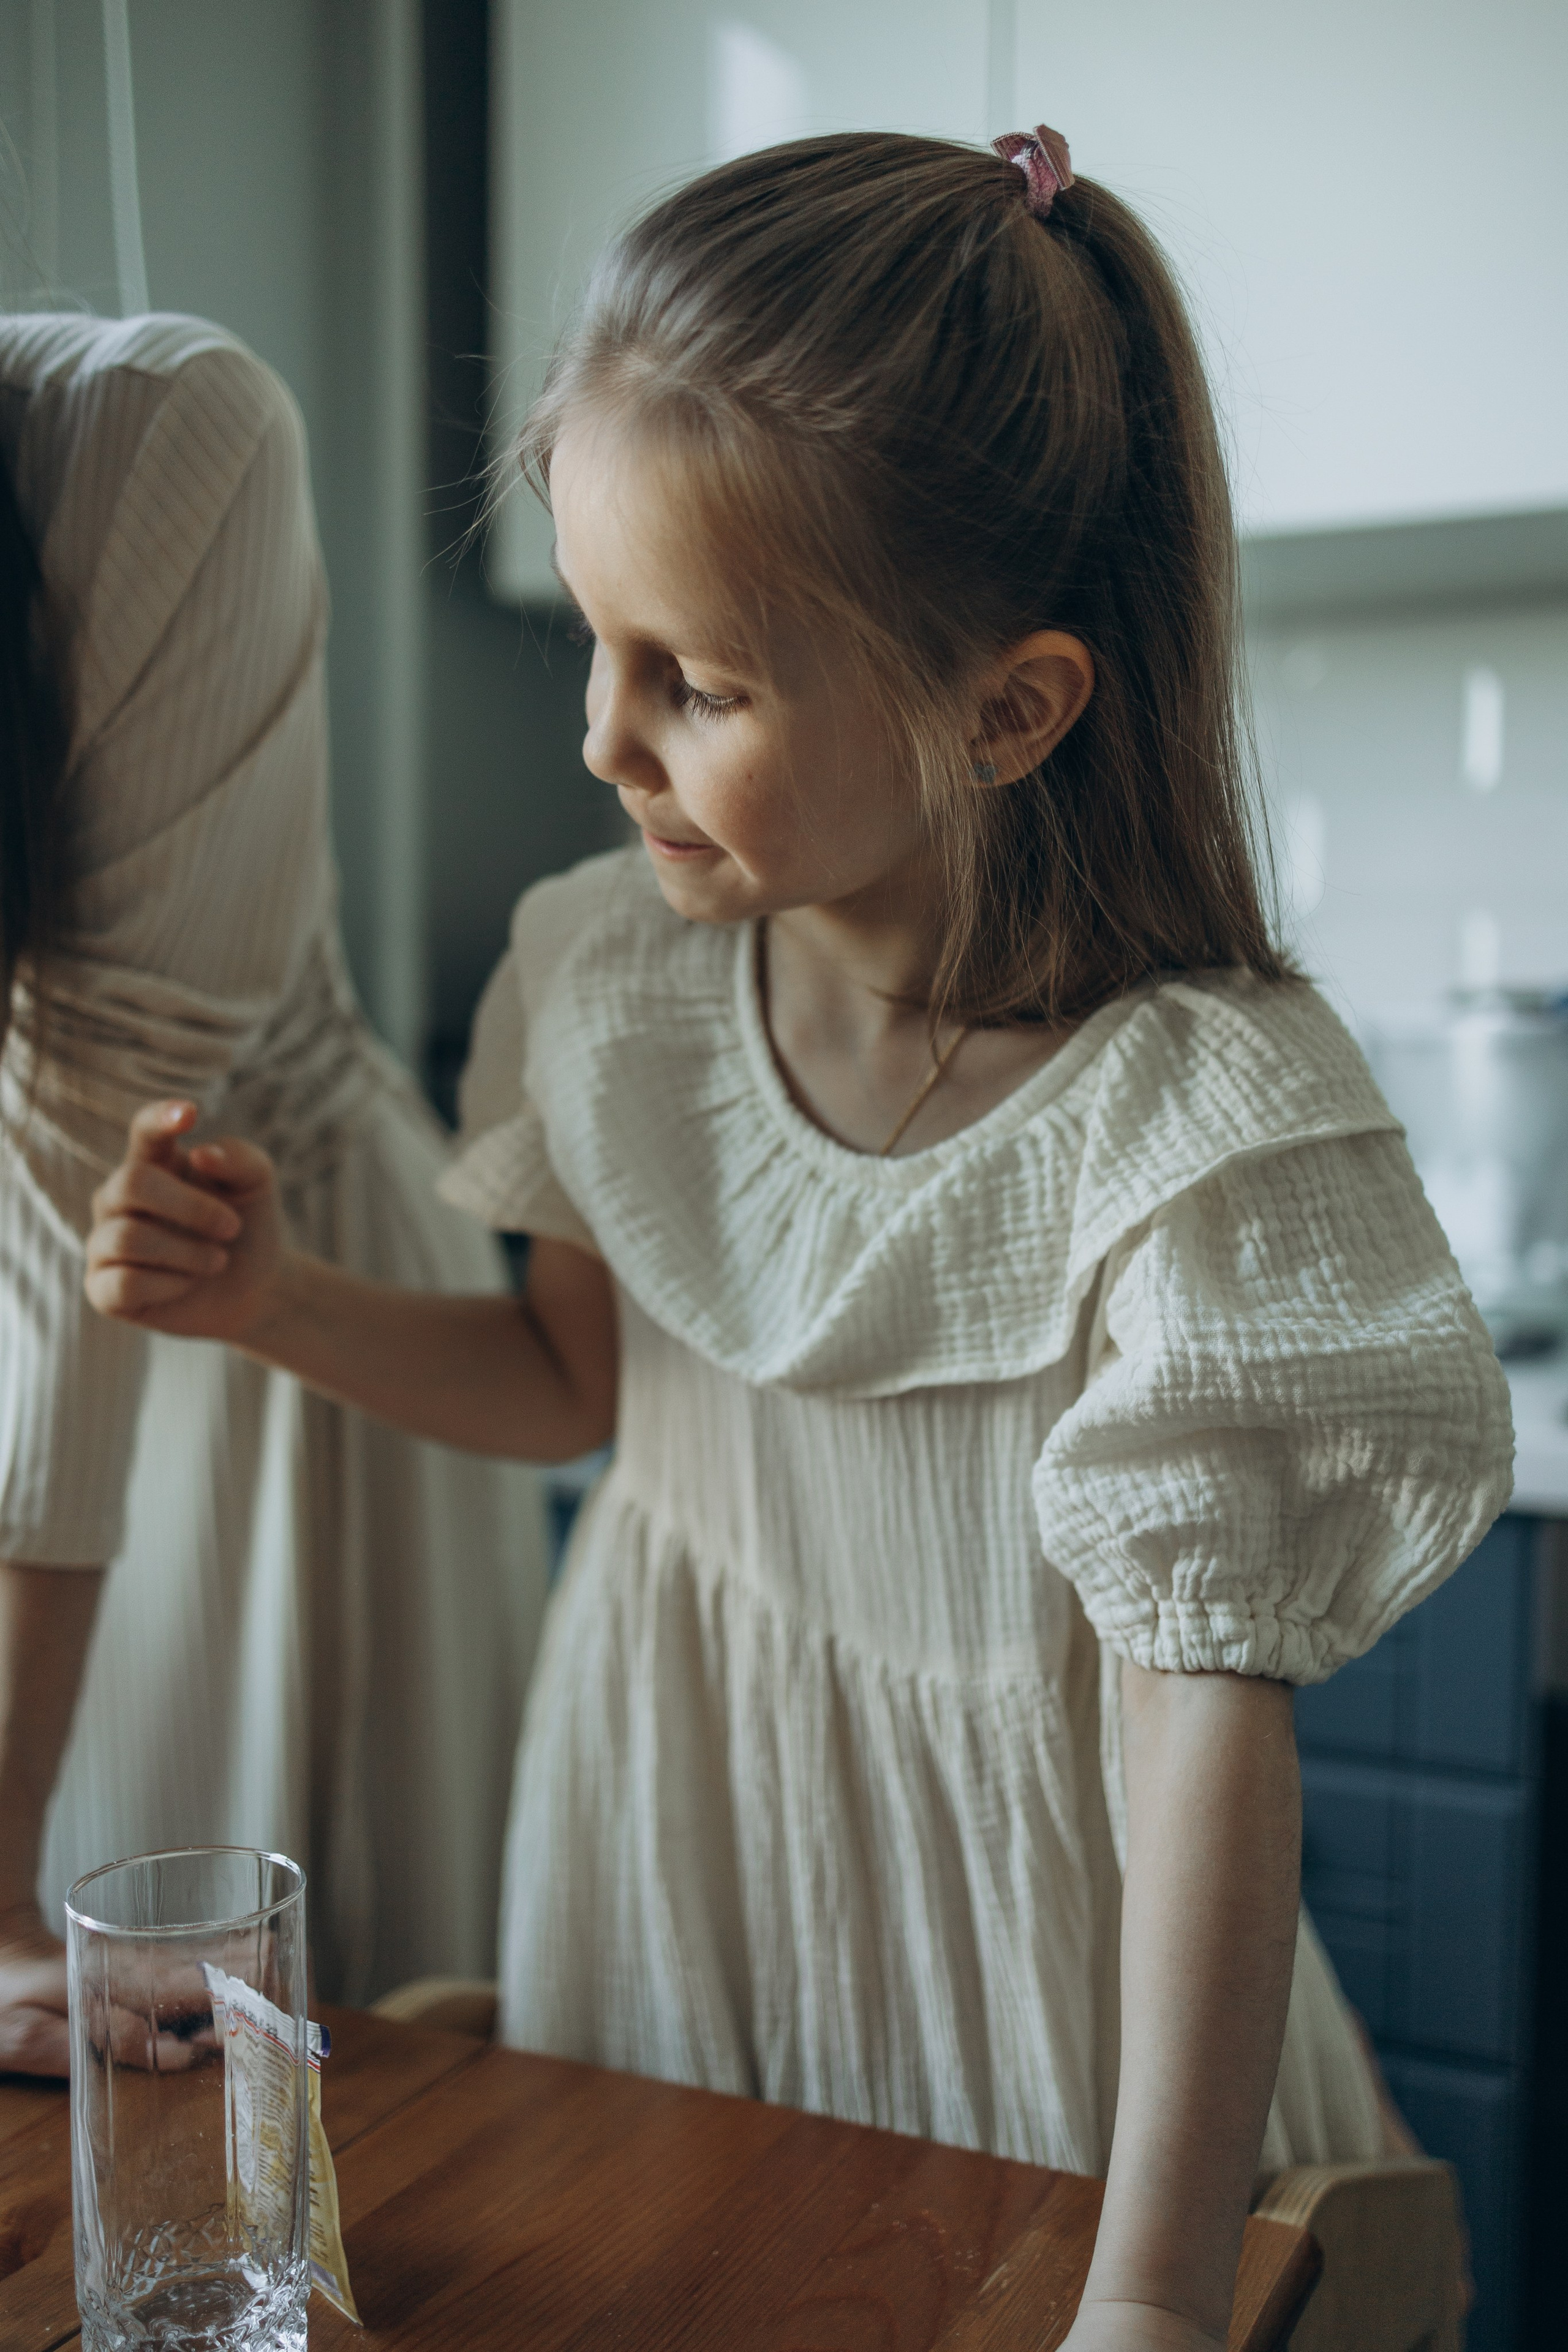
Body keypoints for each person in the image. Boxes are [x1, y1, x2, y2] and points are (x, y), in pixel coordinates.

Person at [81, 133, 1512, 2350]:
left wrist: (1147, 2298)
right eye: (595, 642)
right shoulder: (604, 979)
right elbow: (578, 1385)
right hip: (667, 1895)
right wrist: (277, 1305)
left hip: (1054, 2020)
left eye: (698, 683)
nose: (599, 736)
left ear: (1008, 711)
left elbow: (1205, 1744)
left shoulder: (1200, 1126)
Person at [0, 310, 548, 2073]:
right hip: (61, 1341)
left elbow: (85, 1141)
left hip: (236, 1307)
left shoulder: (160, 438)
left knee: (287, 2058)